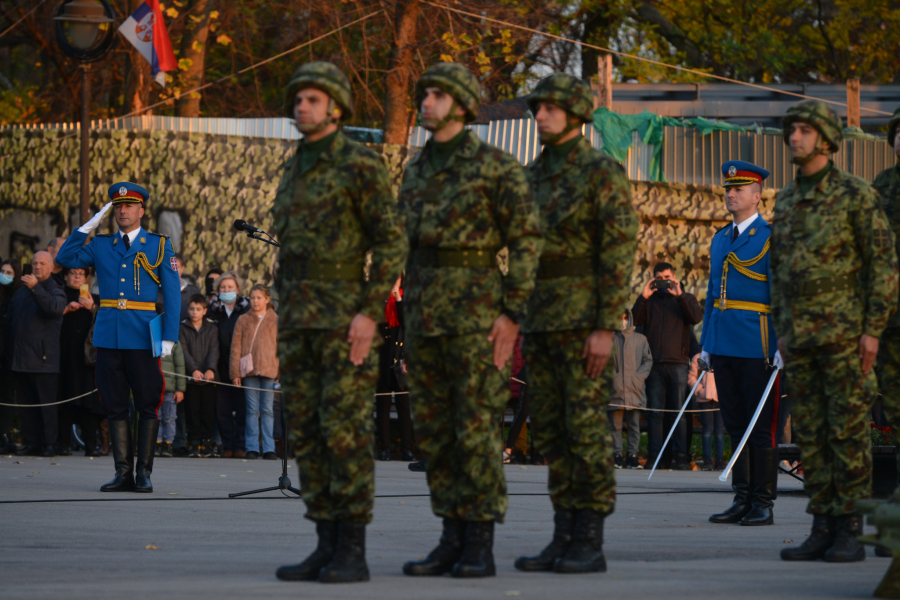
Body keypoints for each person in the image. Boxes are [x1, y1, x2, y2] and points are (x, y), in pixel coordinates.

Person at [399, 62, 541, 580]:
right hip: (425, 319)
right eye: (424, 93)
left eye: (437, 94)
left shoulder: (494, 167)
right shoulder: (416, 168)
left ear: (460, 104)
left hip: (478, 317)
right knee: (436, 434)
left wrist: (512, 314)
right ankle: (449, 536)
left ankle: (479, 541)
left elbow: (526, 240)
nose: (426, 101)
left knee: (477, 431)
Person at [272, 62, 407, 585]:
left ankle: (352, 548)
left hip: (345, 318)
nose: (301, 106)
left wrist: (369, 312)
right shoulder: (297, 163)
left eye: (312, 99)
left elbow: (391, 242)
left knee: (345, 432)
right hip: (301, 321)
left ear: (335, 107)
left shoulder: (359, 164)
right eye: (298, 99)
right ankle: (324, 541)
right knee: (306, 431)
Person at [513, 73, 637, 575]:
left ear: (576, 114)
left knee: (585, 431)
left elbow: (617, 251)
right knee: (554, 432)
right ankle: (563, 532)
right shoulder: (532, 174)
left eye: (549, 108)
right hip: (541, 323)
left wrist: (605, 325)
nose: (539, 115)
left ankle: (589, 537)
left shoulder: (600, 172)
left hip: (583, 320)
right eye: (536, 108)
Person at [772, 101, 898, 562]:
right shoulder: (786, 198)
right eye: (792, 131)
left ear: (826, 140)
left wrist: (872, 330)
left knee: (846, 432)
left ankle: (849, 528)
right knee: (812, 432)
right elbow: (778, 270)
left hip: (846, 334)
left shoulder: (856, 195)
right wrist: (782, 328)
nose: (795, 138)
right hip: (801, 337)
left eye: (804, 130)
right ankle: (821, 525)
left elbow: (882, 266)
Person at [56, 182, 181, 493]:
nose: (123, 210)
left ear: (141, 210)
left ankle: (145, 474)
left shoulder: (159, 245)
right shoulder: (100, 245)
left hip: (142, 335)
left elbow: (173, 294)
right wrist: (87, 226)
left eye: (129, 206)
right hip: (109, 335)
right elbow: (66, 257)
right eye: (118, 206)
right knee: (114, 405)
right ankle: (122, 472)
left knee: (148, 403)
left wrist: (169, 336)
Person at [700, 161, 782, 526]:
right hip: (724, 343)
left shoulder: (769, 236)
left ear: (756, 195)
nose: (730, 195)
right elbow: (711, 294)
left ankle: (763, 501)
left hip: (758, 343)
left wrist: (782, 342)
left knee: (759, 426)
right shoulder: (720, 238)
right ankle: (742, 497)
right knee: (735, 423)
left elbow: (781, 293)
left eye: (738, 189)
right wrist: (705, 344)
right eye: (727, 189)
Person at [632, 262, 703, 470]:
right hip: (655, 366)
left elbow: (696, 318)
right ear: (654, 280)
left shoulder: (686, 298)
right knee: (655, 413)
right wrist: (644, 296)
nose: (664, 281)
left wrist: (679, 295)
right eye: (660, 278)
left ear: (674, 277)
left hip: (679, 365)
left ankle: (680, 456)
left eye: (668, 277)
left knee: (678, 412)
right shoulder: (650, 301)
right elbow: (636, 320)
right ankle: (656, 456)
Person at [4, 251, 66, 456]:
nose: (37, 267)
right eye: (35, 263)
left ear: (50, 267)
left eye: (42, 263)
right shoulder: (21, 293)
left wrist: (36, 288)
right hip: (20, 358)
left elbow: (54, 309)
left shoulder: (55, 290)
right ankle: (32, 442)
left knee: (46, 407)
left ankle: (50, 444)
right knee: (26, 405)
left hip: (43, 359)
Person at [56, 266, 105, 457]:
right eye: (73, 273)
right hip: (64, 356)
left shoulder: (94, 299)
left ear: (86, 277)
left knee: (89, 403)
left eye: (81, 274)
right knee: (65, 400)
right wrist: (65, 310)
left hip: (87, 359)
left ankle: (91, 445)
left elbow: (107, 321)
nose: (77, 277)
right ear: (66, 276)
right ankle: (63, 444)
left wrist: (92, 307)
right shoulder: (59, 296)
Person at [231, 284, 279, 460]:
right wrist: (235, 372)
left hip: (269, 369)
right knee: (251, 410)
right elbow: (236, 347)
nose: (255, 301)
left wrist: (280, 370)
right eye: (252, 298)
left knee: (267, 410)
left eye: (259, 298)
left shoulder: (276, 320)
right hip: (249, 371)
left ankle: (269, 447)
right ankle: (251, 447)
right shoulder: (243, 319)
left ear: (267, 299)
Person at [208, 272, 249, 458]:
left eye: (230, 287)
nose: (226, 290)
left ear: (238, 290)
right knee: (222, 410)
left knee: (242, 409)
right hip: (219, 367)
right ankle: (227, 446)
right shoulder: (211, 311)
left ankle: (241, 445)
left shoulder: (246, 310)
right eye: (223, 287)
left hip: (242, 368)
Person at [608, 309, 653, 470]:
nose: (623, 321)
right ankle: (617, 455)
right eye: (620, 318)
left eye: (625, 318)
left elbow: (647, 361)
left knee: (634, 424)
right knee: (615, 425)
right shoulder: (610, 339)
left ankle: (633, 455)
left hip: (635, 389)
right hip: (616, 390)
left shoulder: (640, 339)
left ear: (630, 319)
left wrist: (638, 377)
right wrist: (613, 378)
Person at [376, 277, 413, 462]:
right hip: (382, 357)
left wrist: (397, 296)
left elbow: (408, 323)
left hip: (400, 358)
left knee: (403, 406)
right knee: (382, 406)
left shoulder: (406, 298)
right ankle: (385, 448)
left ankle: (406, 448)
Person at [180, 294, 219, 458]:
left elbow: (214, 351)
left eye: (198, 309)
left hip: (208, 379)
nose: (194, 312)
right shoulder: (182, 328)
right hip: (191, 379)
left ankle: (206, 443)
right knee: (192, 411)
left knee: (208, 411)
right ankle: (194, 443)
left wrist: (210, 369)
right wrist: (193, 370)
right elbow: (183, 351)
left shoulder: (212, 329)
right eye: (191, 309)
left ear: (204, 310)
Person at [688, 349, 724, 471]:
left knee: (719, 431)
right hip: (704, 400)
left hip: (720, 399)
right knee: (707, 431)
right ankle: (707, 460)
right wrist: (700, 390)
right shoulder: (698, 357)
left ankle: (719, 460)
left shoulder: (722, 356)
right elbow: (692, 377)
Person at [0, 259, 22, 453]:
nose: (4, 275)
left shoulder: (16, 296)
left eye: (9, 272)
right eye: (2, 271)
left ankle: (5, 435)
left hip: (7, 356)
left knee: (6, 397)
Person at [157, 338, 185, 457]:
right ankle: (156, 443)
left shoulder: (175, 342)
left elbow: (180, 366)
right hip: (153, 388)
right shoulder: (150, 340)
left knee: (169, 417)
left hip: (170, 388)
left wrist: (180, 389)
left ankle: (168, 443)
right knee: (155, 417)